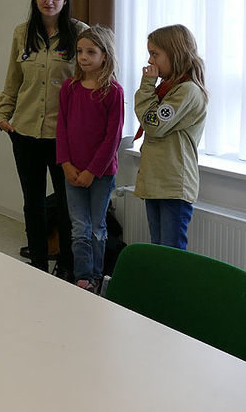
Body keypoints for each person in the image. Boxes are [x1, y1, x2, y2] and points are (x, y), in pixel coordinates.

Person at [0, 0, 87, 280]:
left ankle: (65, 265)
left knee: (66, 203)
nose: (49, 0)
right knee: (32, 202)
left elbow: (90, 83)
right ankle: (37, 263)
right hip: (24, 131)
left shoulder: (80, 34)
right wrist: (3, 115)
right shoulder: (22, 33)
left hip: (63, 136)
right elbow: (13, 79)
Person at [56, 25, 124, 292]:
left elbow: (112, 138)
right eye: (80, 51)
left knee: (97, 226)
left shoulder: (113, 91)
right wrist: (66, 164)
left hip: (101, 175)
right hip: (72, 170)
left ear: (104, 55)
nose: (83, 57)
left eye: (90, 52)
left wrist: (92, 171)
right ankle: (82, 276)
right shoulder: (69, 88)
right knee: (78, 226)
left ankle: (96, 276)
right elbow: (61, 128)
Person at [134, 24, 208, 250]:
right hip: (158, 181)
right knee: (158, 250)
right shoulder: (169, 88)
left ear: (175, 53)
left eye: (155, 54)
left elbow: (153, 125)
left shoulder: (187, 91)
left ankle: (173, 288)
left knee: (171, 253)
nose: (150, 61)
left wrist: (147, 85)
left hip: (173, 184)